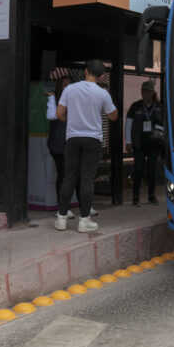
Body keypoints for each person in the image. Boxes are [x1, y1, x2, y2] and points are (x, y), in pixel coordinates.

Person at [55, 60, 118, 232]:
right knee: (87, 179)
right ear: (101, 76)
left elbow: (59, 114)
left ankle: (61, 218)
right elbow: (113, 116)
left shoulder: (69, 89)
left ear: (85, 71)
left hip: (73, 138)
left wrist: (73, 120)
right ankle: (84, 221)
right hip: (93, 139)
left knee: (69, 177)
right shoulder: (103, 93)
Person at [45, 69, 96, 218]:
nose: (68, 87)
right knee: (63, 175)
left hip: (74, 144)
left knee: (79, 175)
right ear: (60, 86)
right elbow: (51, 116)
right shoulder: (54, 100)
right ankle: (63, 208)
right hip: (58, 145)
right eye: (65, 85)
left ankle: (84, 206)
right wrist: (51, 100)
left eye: (70, 85)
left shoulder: (76, 101)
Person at [125, 80, 164, 206]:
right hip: (139, 144)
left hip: (154, 144)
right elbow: (128, 124)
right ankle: (135, 198)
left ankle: (151, 196)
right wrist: (128, 142)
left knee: (152, 170)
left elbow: (164, 124)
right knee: (138, 170)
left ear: (153, 93)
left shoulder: (159, 107)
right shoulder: (135, 106)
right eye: (143, 91)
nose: (145, 94)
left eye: (148, 91)